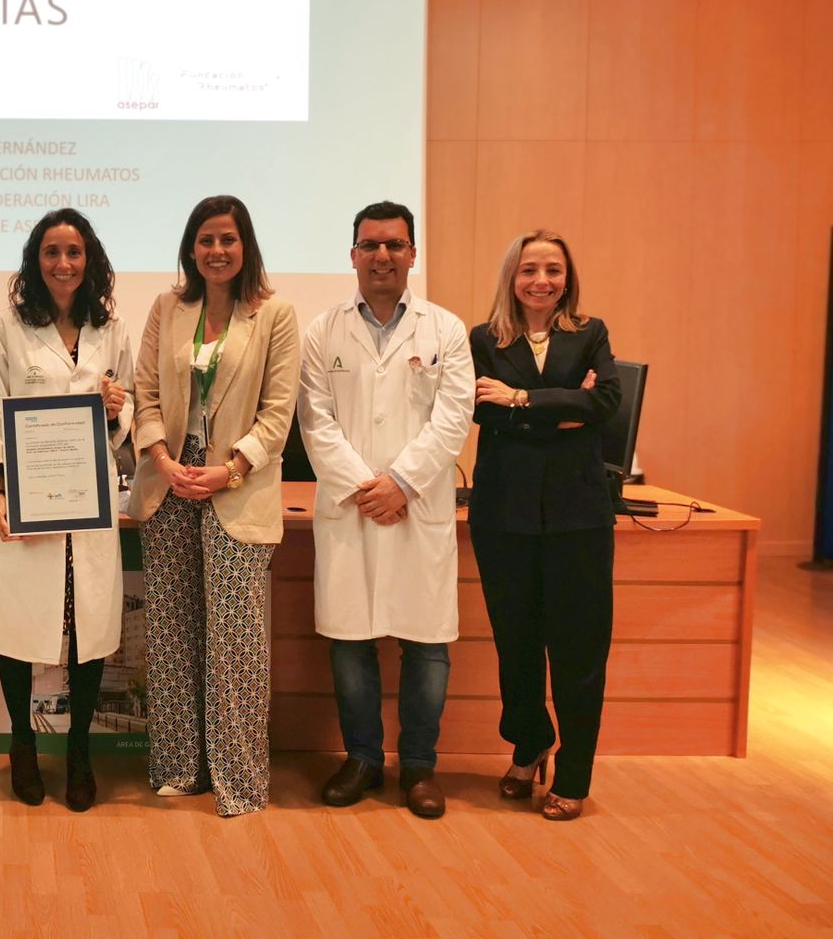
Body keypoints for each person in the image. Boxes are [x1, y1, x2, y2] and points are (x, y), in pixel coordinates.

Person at [298, 200, 473, 819]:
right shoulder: (322, 332)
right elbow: (315, 422)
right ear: (352, 255)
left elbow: (453, 421)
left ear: (412, 255)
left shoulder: (446, 330)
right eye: (370, 245)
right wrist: (364, 486)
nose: (382, 256)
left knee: (426, 644)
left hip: (415, 507)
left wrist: (400, 482)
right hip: (352, 510)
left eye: (395, 245)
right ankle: (364, 759)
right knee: (351, 640)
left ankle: (420, 768)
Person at [131, 195, 298, 817]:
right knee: (172, 630)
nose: (217, 251)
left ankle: (240, 780)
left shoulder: (275, 313)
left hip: (238, 486)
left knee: (235, 640)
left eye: (228, 239)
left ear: (245, 245)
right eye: (205, 240)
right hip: (170, 482)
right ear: (190, 248)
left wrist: (229, 470)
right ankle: (178, 766)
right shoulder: (167, 308)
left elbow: (279, 413)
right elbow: (145, 393)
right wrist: (164, 459)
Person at [0, 210, 133, 812]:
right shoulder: (6, 325)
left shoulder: (110, 327)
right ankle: (21, 745)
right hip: (26, 501)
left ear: (89, 258)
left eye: (73, 251)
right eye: (50, 252)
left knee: (88, 631)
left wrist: (116, 407)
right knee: (20, 626)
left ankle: (79, 754)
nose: (62, 263)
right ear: (34, 260)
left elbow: (131, 412)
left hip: (88, 503)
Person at [468, 229, 622, 821]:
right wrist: (564, 407)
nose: (542, 281)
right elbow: (479, 406)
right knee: (518, 644)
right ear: (512, 277)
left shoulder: (590, 332)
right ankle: (530, 742)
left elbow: (605, 402)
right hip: (503, 514)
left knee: (580, 650)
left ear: (567, 278)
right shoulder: (484, 339)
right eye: (530, 269)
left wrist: (522, 401)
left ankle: (575, 775)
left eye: (553, 270)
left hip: (576, 516)